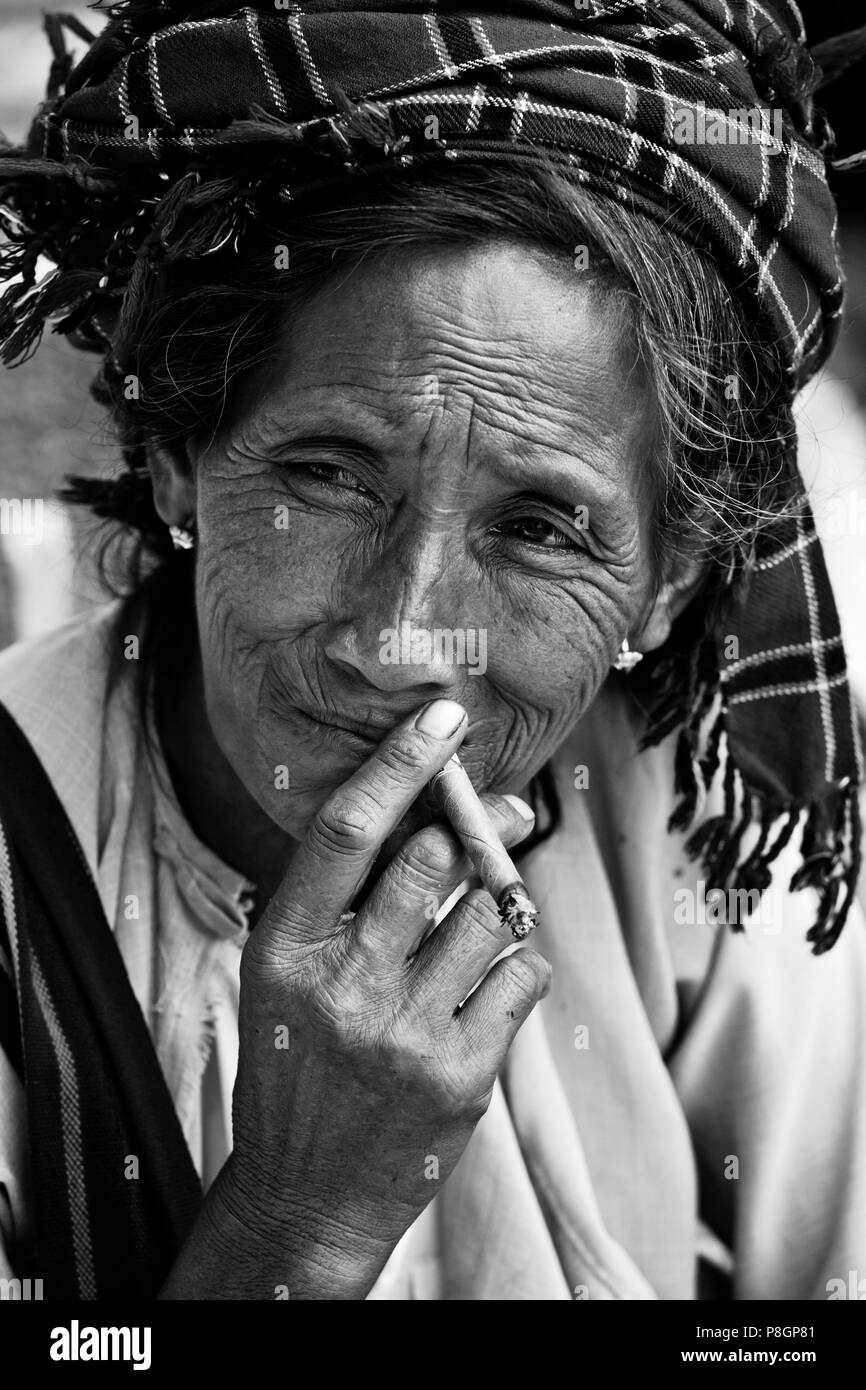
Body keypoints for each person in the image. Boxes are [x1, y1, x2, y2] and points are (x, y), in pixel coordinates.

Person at [0, 0, 865, 1301]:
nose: (407, 636)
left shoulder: (703, 834)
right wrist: (304, 1212)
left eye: (537, 527)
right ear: (178, 462)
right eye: (331, 475)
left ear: (664, 590)